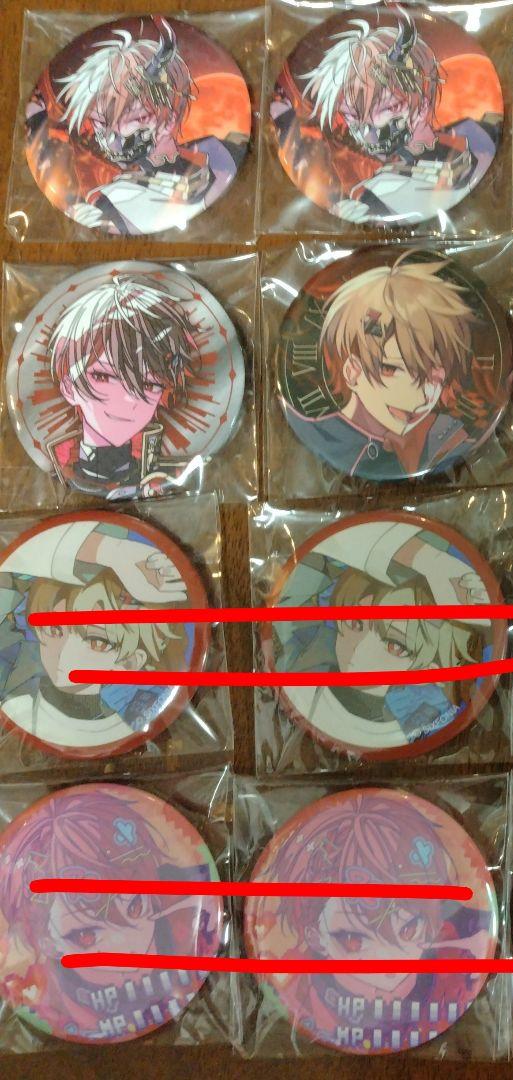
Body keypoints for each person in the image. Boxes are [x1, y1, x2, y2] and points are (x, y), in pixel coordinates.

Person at [264, 792, 494, 1053]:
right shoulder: (301, 994)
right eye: (353, 941)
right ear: (315, 937)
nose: (390, 960)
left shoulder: (462, 960)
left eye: (408, 929)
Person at [0, 787, 218, 1040]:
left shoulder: (193, 918)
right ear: (47, 942)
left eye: (135, 906)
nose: (131, 948)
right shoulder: (46, 1000)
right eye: (86, 937)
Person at [274, 519, 489, 749]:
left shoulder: (421, 723)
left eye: (395, 645)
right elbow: (316, 560)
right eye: (355, 623)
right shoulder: (302, 666)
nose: (359, 649)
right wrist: (426, 558)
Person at [272, 16, 499, 223]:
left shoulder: (477, 137)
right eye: (352, 117)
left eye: (389, 107)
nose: (368, 129)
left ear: (422, 101)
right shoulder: (375, 194)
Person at [284, 256, 484, 478]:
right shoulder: (317, 435)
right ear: (352, 371)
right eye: (392, 369)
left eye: (435, 376)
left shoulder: (444, 438)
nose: (422, 398)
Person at [0, 519, 188, 749]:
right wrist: (109, 550)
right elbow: (11, 569)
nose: (64, 654)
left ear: (130, 661)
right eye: (54, 629)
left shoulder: (128, 725)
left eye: (97, 642)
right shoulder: (16, 699)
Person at [54, 16, 244, 235]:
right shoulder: (116, 200)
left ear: (170, 114)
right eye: (100, 123)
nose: (106, 134)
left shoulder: (219, 153)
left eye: (137, 116)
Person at [43, 276, 202, 497]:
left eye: (148, 384)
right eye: (102, 376)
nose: (128, 399)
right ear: (69, 387)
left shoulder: (169, 476)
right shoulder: (57, 469)